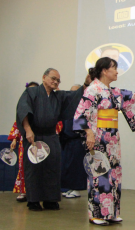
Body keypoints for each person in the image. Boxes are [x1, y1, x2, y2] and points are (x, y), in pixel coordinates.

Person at [73, 57, 135, 225]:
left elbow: (134, 98)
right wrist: (89, 132)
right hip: (98, 136)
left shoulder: (114, 91)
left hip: (112, 138)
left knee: (115, 174)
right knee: (99, 173)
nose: (117, 71)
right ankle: (97, 214)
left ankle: (111, 212)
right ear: (104, 70)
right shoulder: (92, 89)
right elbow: (80, 114)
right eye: (114, 68)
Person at [15, 69, 84, 211]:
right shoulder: (31, 92)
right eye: (53, 78)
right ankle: (33, 200)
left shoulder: (58, 96)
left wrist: (85, 84)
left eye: (58, 80)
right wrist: (28, 129)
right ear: (44, 77)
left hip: (51, 136)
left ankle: (50, 200)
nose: (56, 82)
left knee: (52, 168)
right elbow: (23, 110)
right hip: (34, 135)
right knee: (34, 169)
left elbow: (74, 96)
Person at [8, 82, 39, 202]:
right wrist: (15, 139)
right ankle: (24, 191)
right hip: (25, 141)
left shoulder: (43, 104)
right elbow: (17, 123)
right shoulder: (23, 105)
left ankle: (40, 193)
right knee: (24, 165)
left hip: (41, 141)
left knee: (40, 167)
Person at [60, 84, 89, 198]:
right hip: (67, 140)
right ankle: (69, 187)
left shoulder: (83, 107)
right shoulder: (67, 106)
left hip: (77, 140)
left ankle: (77, 189)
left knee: (76, 165)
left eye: (74, 92)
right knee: (67, 165)